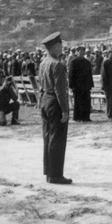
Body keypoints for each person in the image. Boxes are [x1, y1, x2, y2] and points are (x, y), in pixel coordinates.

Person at [38, 31, 72, 184]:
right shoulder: (57, 65)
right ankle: (56, 175)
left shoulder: (43, 63)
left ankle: (49, 173)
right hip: (55, 103)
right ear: (54, 46)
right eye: (60, 45)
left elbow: (40, 85)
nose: (62, 47)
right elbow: (60, 90)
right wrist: (65, 110)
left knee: (48, 138)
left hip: (45, 100)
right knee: (57, 139)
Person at [68, 46, 94, 122]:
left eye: (83, 51)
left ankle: (86, 117)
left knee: (86, 101)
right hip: (77, 85)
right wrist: (71, 85)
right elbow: (71, 74)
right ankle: (77, 117)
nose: (82, 52)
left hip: (86, 85)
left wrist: (90, 85)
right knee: (78, 101)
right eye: (80, 51)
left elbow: (89, 74)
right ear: (77, 52)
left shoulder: (87, 62)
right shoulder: (73, 61)